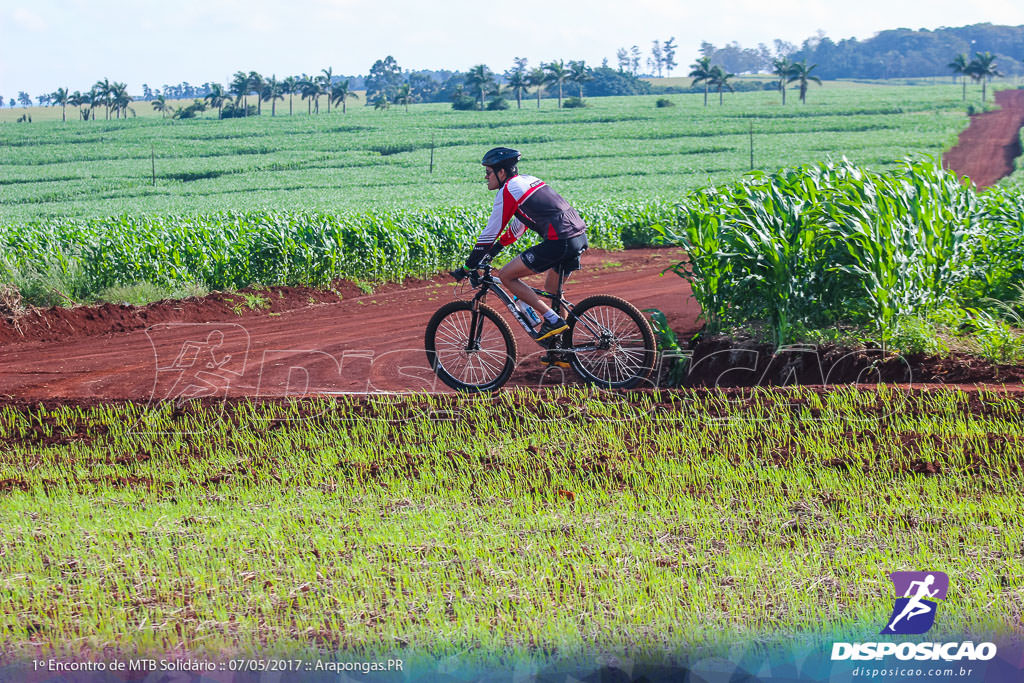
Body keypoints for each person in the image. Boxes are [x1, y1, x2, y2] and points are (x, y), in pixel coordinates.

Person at [456, 147, 588, 364]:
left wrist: (469, 266)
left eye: (488, 172)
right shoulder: (528, 181)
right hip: (578, 237)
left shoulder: (508, 189)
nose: (485, 177)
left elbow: (491, 230)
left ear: (501, 172)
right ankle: (560, 351)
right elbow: (519, 224)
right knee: (553, 291)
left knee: (507, 276)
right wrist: (496, 249)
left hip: (560, 241)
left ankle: (553, 321)